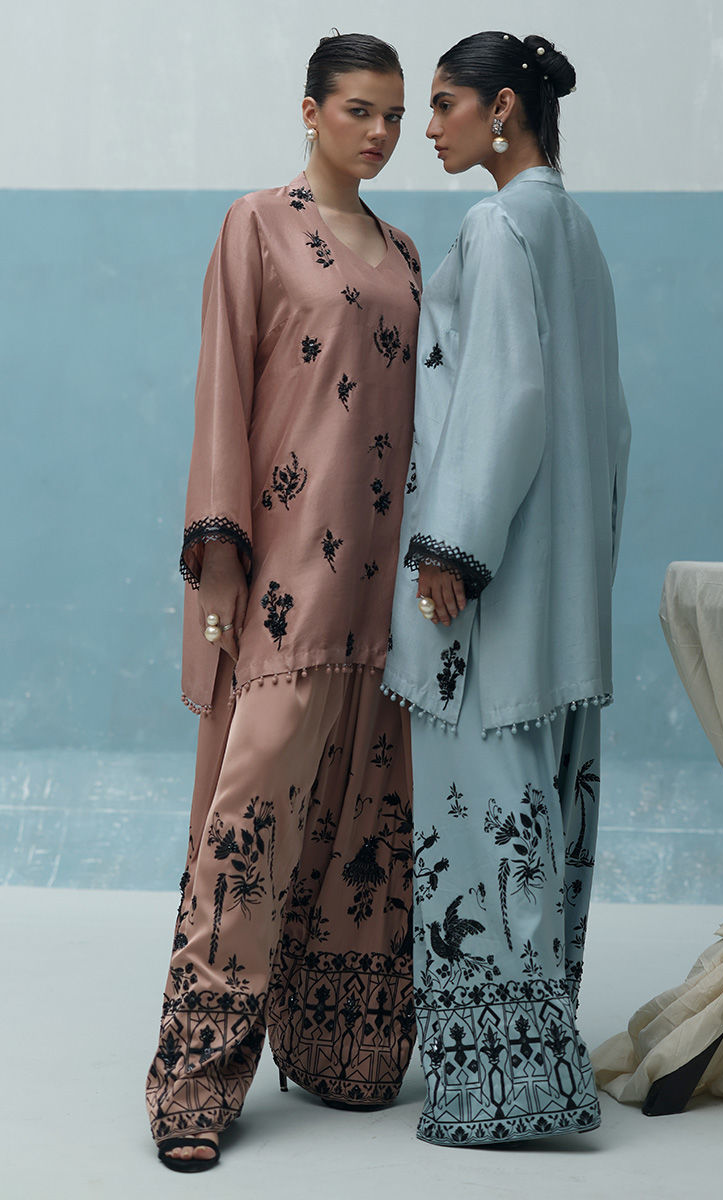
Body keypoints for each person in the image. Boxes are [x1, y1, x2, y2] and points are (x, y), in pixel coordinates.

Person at [146, 32, 421, 1171]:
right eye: (358, 109)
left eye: (394, 113)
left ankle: (344, 1047)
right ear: (310, 112)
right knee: (250, 815)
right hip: (285, 580)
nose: (381, 132)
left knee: (363, 816)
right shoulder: (256, 224)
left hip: (383, 588)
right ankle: (197, 1082)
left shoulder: (406, 250)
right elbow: (224, 381)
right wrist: (221, 547)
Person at [382, 31, 631, 1147]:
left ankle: (503, 1094)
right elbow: (609, 426)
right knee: (542, 821)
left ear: (504, 111)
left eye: (444, 104)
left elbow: (503, 396)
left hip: (487, 593)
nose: (426, 127)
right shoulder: (575, 233)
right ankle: (537, 1070)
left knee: (485, 825)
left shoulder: (494, 227)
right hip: (561, 596)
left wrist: (452, 547)